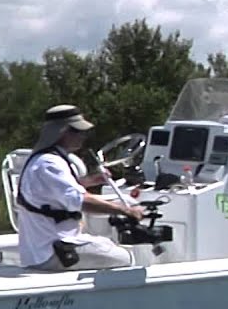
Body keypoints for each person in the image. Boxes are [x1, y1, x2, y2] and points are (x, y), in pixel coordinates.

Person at [16, 104, 145, 270]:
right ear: (61, 132)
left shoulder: (44, 160)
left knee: (109, 243)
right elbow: (81, 201)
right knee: (126, 257)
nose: (83, 136)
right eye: (77, 131)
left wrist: (90, 181)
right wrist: (126, 211)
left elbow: (54, 190)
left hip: (43, 248)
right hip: (53, 250)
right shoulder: (50, 164)